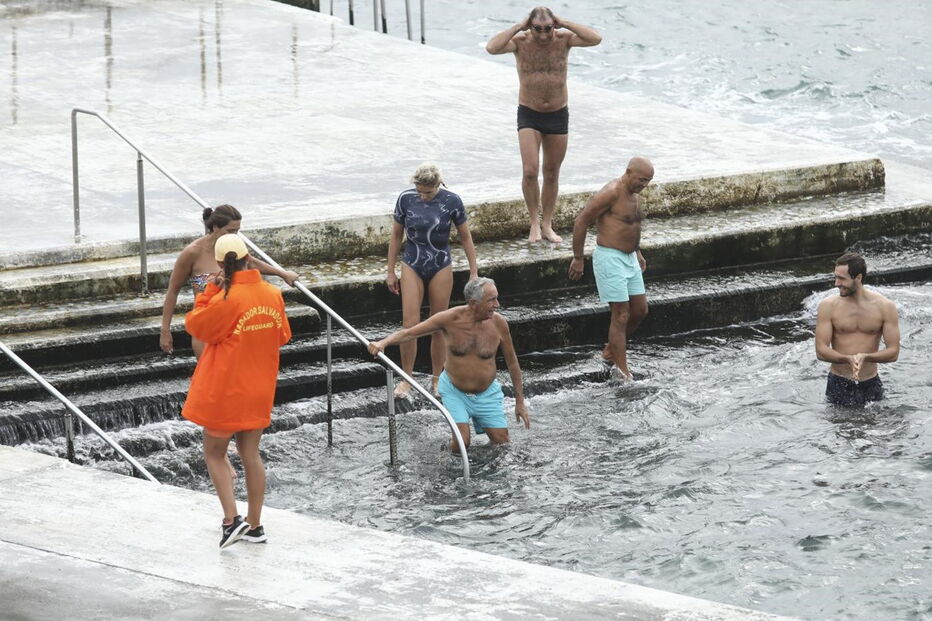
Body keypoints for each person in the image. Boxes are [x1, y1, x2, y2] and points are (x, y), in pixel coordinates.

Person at [181, 234, 292, 549]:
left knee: (214, 453)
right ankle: (255, 525)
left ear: (220, 264)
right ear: (248, 259)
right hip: (259, 386)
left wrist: (207, 293)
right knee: (251, 454)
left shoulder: (225, 299)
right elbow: (282, 335)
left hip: (227, 389)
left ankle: (231, 521)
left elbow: (197, 327)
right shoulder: (272, 294)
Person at [368, 277, 530, 451]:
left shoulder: (499, 323)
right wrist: (383, 342)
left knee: (502, 443)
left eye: (496, 298)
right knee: (462, 443)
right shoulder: (449, 319)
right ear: (474, 303)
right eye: (491, 300)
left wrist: (519, 401)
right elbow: (410, 333)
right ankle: (443, 453)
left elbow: (512, 363)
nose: (497, 304)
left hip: (486, 393)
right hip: (455, 391)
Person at [486, 7, 602, 243]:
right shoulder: (520, 42)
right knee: (530, 171)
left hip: (558, 113)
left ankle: (547, 224)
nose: (542, 34)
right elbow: (492, 47)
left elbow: (595, 38)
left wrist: (565, 23)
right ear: (531, 26)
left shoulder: (564, 39)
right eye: (537, 29)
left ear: (553, 25)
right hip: (529, 112)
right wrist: (519, 26)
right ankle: (534, 224)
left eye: (547, 28)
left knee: (551, 172)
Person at [386, 163, 479, 398]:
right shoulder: (405, 199)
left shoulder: (452, 201)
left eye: (427, 192)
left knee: (438, 325)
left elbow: (465, 237)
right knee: (410, 324)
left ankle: (438, 378)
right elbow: (397, 235)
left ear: (438, 185)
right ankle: (407, 378)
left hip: (440, 264)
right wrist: (390, 271)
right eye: (419, 190)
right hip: (412, 263)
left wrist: (473, 271)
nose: (422, 196)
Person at [160, 204, 299, 358]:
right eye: (230, 231)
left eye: (237, 231)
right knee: (210, 376)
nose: (235, 235)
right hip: (206, 325)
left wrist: (283, 274)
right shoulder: (192, 252)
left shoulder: (234, 246)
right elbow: (173, 291)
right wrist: (165, 331)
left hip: (233, 325)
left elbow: (251, 262)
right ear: (215, 227)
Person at [568, 157, 654, 381]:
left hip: (630, 258)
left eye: (647, 182)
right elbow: (581, 221)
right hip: (610, 257)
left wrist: (637, 251)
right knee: (621, 314)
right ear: (628, 172)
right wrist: (578, 257)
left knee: (640, 310)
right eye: (641, 180)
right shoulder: (611, 191)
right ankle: (621, 369)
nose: (643, 185)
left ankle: (609, 351)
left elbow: (630, 226)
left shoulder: (634, 195)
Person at [815, 252, 900, 406]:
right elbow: (820, 350)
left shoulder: (885, 307)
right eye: (835, 277)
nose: (836, 283)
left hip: (871, 383)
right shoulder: (828, 306)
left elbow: (893, 352)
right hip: (838, 383)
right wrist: (846, 359)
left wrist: (866, 357)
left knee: (875, 427)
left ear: (858, 278)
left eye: (842, 279)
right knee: (840, 427)